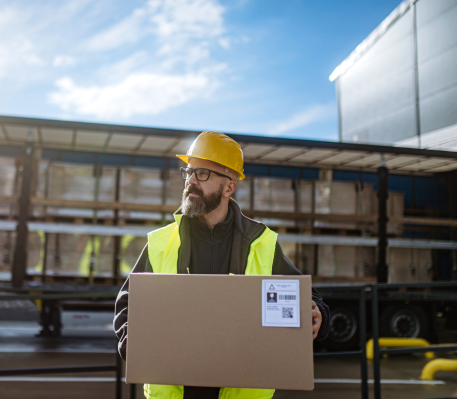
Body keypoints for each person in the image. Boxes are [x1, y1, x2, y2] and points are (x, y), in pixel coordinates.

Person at [114, 131, 330, 399]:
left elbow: (308, 300)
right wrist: (135, 347)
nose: (191, 181)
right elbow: (127, 306)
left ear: (229, 187)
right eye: (189, 172)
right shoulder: (161, 243)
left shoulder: (259, 243)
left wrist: (318, 316)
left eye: (202, 173)